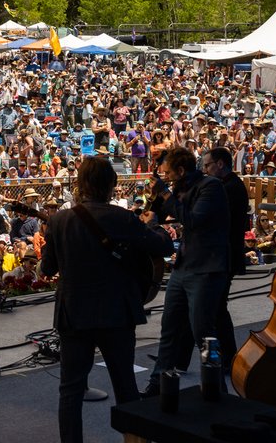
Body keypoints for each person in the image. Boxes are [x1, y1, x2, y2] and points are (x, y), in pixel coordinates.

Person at [40, 156, 174, 443]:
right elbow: (163, 247)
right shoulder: (122, 218)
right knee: (125, 384)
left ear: (81, 184)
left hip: (74, 313)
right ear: (111, 185)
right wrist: (154, 225)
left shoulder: (59, 220)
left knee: (70, 390)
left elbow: (47, 269)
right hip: (117, 312)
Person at [143, 146, 230, 396]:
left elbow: (192, 220)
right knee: (169, 327)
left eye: (169, 173)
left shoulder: (211, 187)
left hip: (205, 269)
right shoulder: (181, 188)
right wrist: (156, 199)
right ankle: (158, 384)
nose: (167, 177)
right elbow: (161, 214)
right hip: (183, 267)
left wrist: (166, 193)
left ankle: (216, 387)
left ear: (181, 171)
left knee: (203, 332)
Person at [203, 146, 249, 378]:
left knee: (217, 308)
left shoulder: (229, 188)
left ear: (220, 164)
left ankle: (229, 357)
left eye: (208, 165)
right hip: (223, 255)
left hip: (225, 256)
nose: (205, 170)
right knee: (212, 307)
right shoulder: (228, 185)